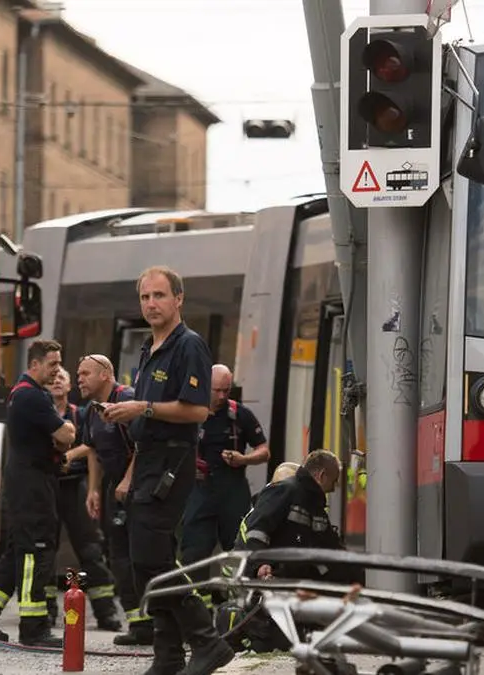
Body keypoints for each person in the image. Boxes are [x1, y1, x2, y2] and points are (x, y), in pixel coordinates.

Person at [101, 266, 234, 675]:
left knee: (151, 557)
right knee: (148, 562)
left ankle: (207, 642)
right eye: (145, 297)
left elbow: (197, 409)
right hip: (148, 459)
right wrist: (126, 418)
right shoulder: (148, 347)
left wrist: (143, 408)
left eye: (159, 296)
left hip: (172, 461)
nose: (151, 304)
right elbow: (148, 415)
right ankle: (169, 655)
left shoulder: (189, 345)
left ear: (179, 299)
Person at [0, 340, 75, 646]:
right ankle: (33, 627)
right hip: (32, 486)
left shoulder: (29, 393)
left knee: (16, 553)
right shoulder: (31, 397)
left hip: (30, 483)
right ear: (35, 364)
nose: (57, 371)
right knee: (33, 555)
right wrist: (63, 436)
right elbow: (66, 434)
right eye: (52, 364)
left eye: (59, 364)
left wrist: (59, 440)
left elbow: (59, 439)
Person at [214, 450, 356, 654]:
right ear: (321, 475)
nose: (334, 488)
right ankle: (233, 619)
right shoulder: (285, 491)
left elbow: (330, 547)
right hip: (262, 581)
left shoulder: (315, 507)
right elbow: (257, 532)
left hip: (288, 584)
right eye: (333, 481)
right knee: (267, 642)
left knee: (293, 640)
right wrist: (261, 565)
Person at [76, 353, 155, 646]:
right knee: (119, 558)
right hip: (115, 488)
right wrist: (94, 489)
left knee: (144, 555)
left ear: (105, 375)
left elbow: (144, 443)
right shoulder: (90, 410)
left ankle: (163, 622)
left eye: (85, 373)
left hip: (140, 486)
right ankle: (139, 625)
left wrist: (127, 479)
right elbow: (94, 450)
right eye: (78, 373)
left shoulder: (127, 401)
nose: (79, 379)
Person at [180, 363, 270, 603]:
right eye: (216, 390)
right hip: (199, 491)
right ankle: (196, 607)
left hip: (233, 490)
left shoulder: (239, 415)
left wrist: (243, 459)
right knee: (194, 552)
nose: (221, 396)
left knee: (238, 549)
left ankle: (235, 604)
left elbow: (264, 451)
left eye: (226, 390)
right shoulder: (188, 413)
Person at [45, 369, 122, 631]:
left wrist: (93, 489)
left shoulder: (81, 414)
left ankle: (106, 612)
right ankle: (46, 612)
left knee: (90, 548)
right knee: (45, 550)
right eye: (53, 378)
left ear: (69, 387)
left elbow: (93, 450)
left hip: (75, 487)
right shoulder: (41, 411)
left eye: (62, 379)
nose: (57, 381)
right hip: (48, 487)